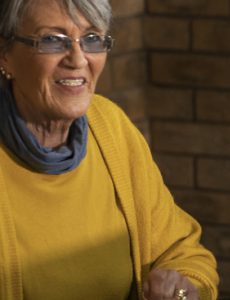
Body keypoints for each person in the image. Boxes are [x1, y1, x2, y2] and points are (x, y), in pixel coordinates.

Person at [0, 0, 218, 299]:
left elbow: (182, 253)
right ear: (5, 54)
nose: (78, 59)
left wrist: (182, 289)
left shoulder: (111, 126)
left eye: (91, 39)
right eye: (52, 40)